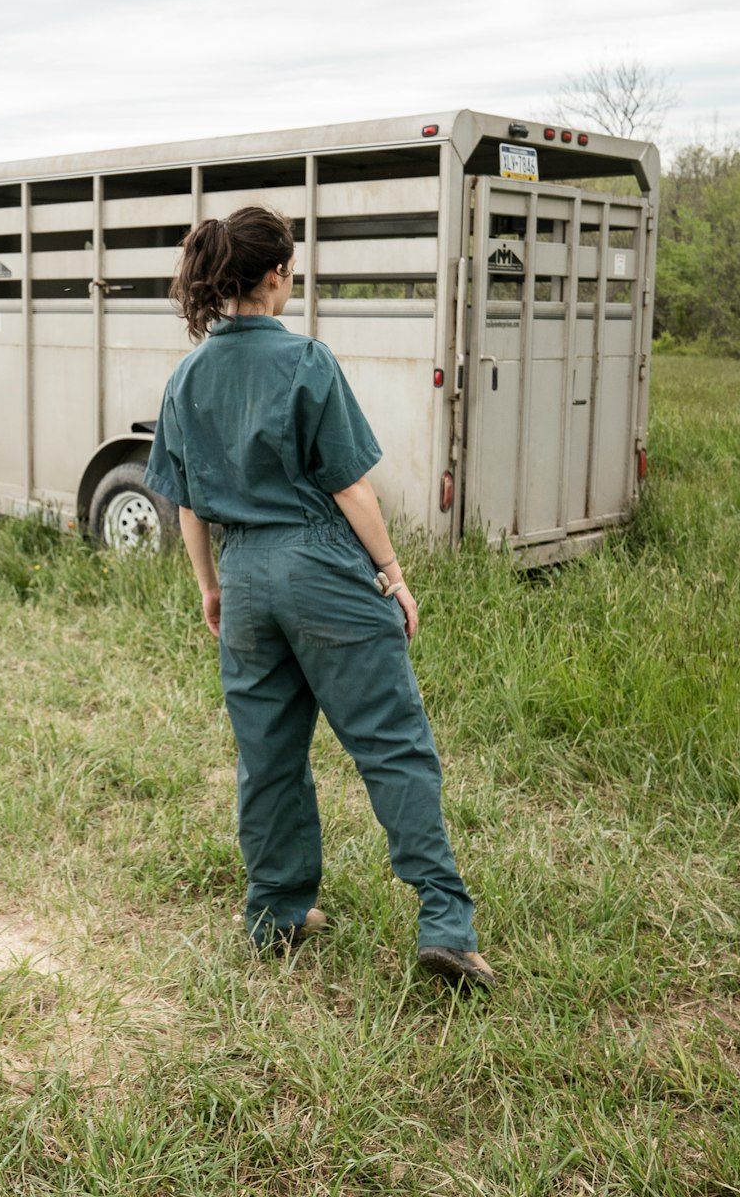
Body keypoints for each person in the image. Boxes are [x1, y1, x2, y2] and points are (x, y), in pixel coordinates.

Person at [142, 205, 495, 988]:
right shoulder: (307, 360)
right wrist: (394, 574)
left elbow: (189, 502)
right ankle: (444, 921)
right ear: (276, 275)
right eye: (290, 267)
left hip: (243, 578)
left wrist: (211, 586)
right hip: (320, 565)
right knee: (390, 742)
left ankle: (276, 911)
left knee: (267, 755)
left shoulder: (186, 376)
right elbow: (350, 487)